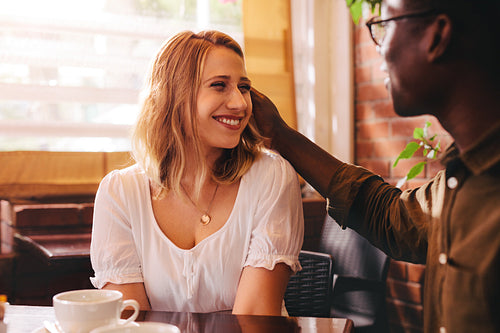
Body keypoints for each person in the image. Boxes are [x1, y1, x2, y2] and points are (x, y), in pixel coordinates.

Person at [251, 0, 499, 332]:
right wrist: (280, 135)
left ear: (438, 36)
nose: (377, 48)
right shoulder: (461, 180)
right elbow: (392, 216)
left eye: (386, 24)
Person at [90, 30, 304, 316]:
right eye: (219, 85)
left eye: (243, 87)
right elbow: (132, 322)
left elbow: (253, 319)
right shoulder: (120, 193)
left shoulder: (271, 176)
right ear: (174, 96)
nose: (241, 103)